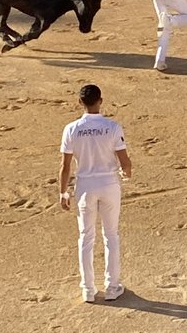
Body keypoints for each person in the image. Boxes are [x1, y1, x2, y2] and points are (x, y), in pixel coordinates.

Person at [58, 84, 131, 303]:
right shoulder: (112, 127)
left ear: (80, 102)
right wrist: (126, 172)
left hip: (84, 187)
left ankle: (88, 289)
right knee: (111, 236)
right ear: (101, 101)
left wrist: (63, 192)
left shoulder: (71, 129)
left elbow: (65, 166)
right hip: (108, 184)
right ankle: (112, 286)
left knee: (85, 237)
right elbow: (125, 161)